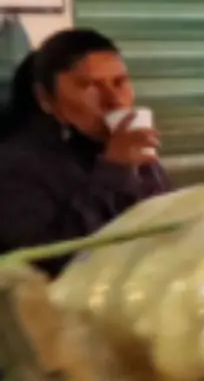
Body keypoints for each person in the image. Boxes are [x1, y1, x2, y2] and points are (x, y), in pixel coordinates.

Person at [0, 29, 169, 260]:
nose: (114, 100)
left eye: (120, 82)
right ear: (45, 99)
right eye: (90, 86)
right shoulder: (15, 165)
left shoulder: (126, 150)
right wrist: (115, 170)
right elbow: (51, 259)